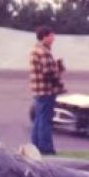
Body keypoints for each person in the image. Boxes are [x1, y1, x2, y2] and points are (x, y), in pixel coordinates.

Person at [29, 26, 65, 155]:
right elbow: (48, 72)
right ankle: (46, 148)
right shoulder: (43, 52)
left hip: (38, 90)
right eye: (51, 36)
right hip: (46, 90)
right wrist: (58, 73)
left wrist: (56, 67)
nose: (53, 38)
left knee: (39, 119)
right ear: (44, 37)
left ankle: (35, 146)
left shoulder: (36, 50)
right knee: (45, 120)